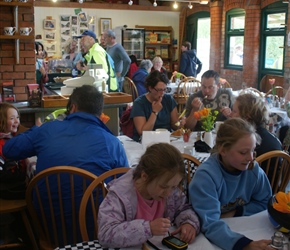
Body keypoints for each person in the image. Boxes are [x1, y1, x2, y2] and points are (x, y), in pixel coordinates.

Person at [189, 118, 273, 250]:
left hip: (244, 228)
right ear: (223, 150)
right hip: (213, 239)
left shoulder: (253, 170)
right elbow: (209, 223)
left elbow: (265, 202)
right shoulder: (206, 176)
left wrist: (235, 212)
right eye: (243, 152)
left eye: (253, 150)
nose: (251, 158)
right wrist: (245, 245)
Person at [98, 142, 200, 248]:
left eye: (174, 187)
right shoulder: (120, 195)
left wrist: (189, 223)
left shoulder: (169, 188)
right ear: (145, 177)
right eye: (163, 187)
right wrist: (148, 228)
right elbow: (106, 234)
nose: (169, 193)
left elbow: (184, 208)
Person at [230, 93, 282, 182]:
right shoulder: (272, 137)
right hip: (275, 189)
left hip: (252, 190)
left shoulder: (246, 142)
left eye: (234, 111)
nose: (231, 115)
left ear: (246, 117)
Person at [131, 70, 184, 142]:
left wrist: (180, 124)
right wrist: (154, 112)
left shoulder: (168, 99)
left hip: (166, 139)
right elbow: (143, 133)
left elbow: (174, 126)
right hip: (146, 141)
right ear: (150, 88)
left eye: (164, 89)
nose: (162, 93)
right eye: (159, 90)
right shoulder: (139, 103)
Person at [0, 103, 27, 200]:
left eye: (17, 117)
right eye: (12, 118)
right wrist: (20, 176)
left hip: (15, 184)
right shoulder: (2, 144)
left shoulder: (11, 138)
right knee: (38, 193)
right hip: (7, 189)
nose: (17, 121)